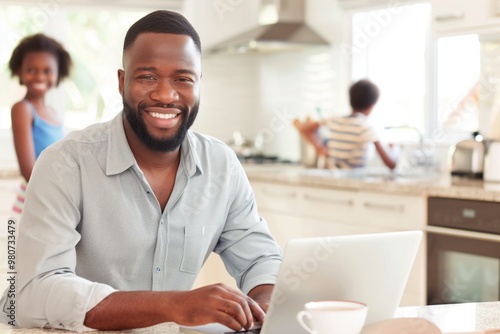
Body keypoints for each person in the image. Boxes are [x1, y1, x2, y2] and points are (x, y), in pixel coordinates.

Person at [0, 10, 282, 332]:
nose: (165, 94)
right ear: (122, 82)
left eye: (183, 79)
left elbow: (262, 261)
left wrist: (266, 304)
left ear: (199, 84)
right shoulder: (66, 164)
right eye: (148, 77)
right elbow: (35, 293)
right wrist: (174, 305)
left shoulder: (222, 167)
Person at [8, 33, 72, 214]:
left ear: (58, 72)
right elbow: (29, 170)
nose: (39, 77)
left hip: (52, 199)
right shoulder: (23, 109)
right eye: (31, 70)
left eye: (47, 71)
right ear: (20, 71)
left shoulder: (53, 113)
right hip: (34, 201)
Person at [294, 79, 397, 170]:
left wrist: (317, 146)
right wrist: (392, 150)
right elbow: (391, 164)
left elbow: (303, 129)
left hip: (334, 177)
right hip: (354, 181)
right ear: (371, 106)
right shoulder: (365, 127)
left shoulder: (334, 119)